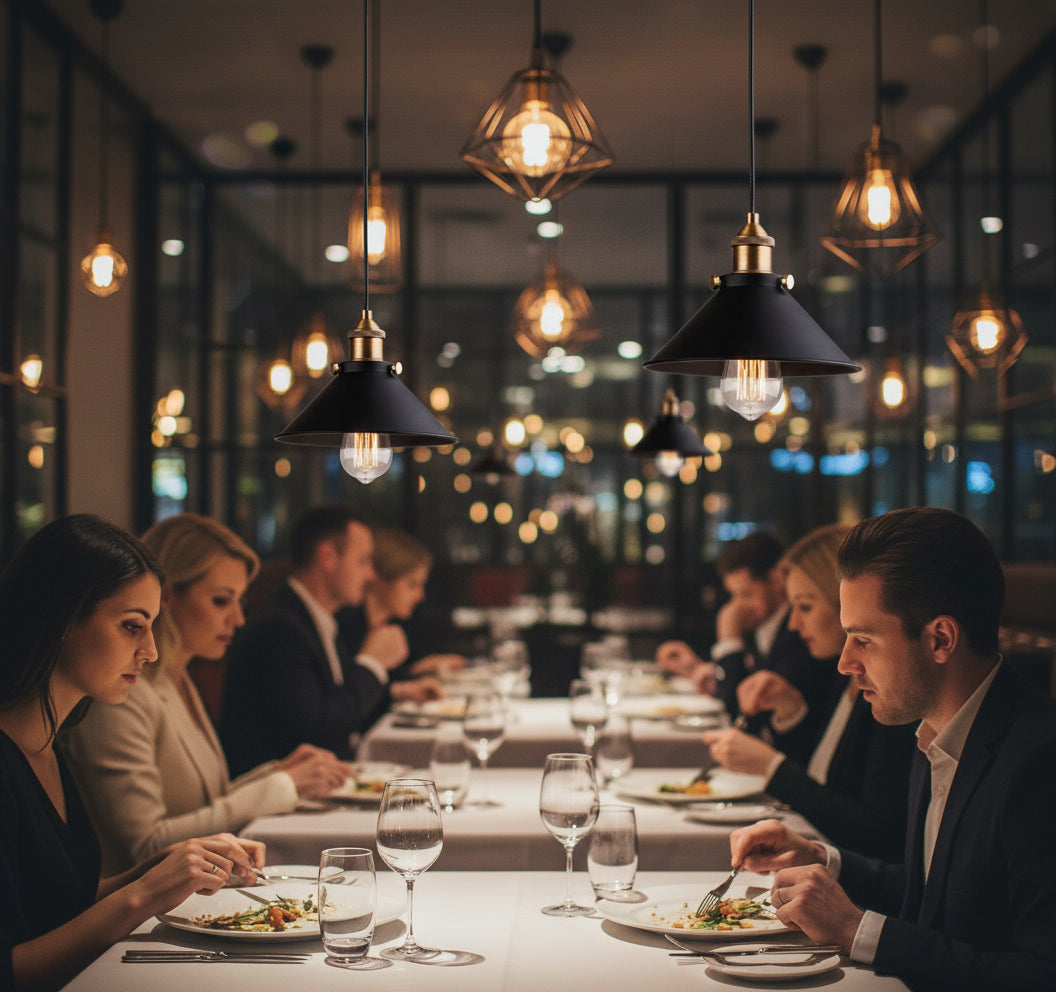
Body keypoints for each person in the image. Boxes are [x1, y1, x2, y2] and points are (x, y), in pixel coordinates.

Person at [728, 507, 1056, 992]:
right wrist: (820, 857)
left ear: (940, 639)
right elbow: (935, 894)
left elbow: (1039, 974)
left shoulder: (1038, 760)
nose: (844, 662)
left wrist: (857, 931)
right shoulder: (934, 731)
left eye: (862, 640)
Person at [0, 514, 265, 992]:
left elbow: (59, 904)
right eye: (131, 626)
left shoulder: (48, 742)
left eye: (151, 626)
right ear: (62, 619)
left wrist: (162, 866)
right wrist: (143, 894)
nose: (151, 650)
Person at [61, 513, 348, 873]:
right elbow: (144, 847)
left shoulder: (177, 678)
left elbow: (206, 801)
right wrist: (279, 786)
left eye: (240, 601)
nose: (238, 619)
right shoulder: (123, 692)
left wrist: (277, 773)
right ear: (166, 596)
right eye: (221, 600)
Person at [700, 523, 917, 858]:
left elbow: (874, 835)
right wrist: (791, 713)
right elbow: (821, 781)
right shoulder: (839, 675)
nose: (793, 624)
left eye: (804, 606)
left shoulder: (893, 694)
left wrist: (773, 769)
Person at [220, 506, 443, 776]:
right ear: (327, 557)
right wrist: (372, 664)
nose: (371, 575)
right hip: (283, 804)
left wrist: (393, 692)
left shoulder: (317, 620)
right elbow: (319, 730)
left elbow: (334, 701)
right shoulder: (280, 629)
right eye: (363, 561)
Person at [656, 531, 833, 760]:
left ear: (776, 581)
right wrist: (697, 669)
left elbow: (736, 711)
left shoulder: (800, 637)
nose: (738, 606)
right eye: (735, 596)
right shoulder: (760, 628)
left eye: (747, 593)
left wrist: (729, 639)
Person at [337, 528, 467, 682]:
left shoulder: (394, 627)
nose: (421, 596)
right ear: (380, 579)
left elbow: (384, 684)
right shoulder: (343, 629)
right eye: (412, 585)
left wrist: (420, 671)